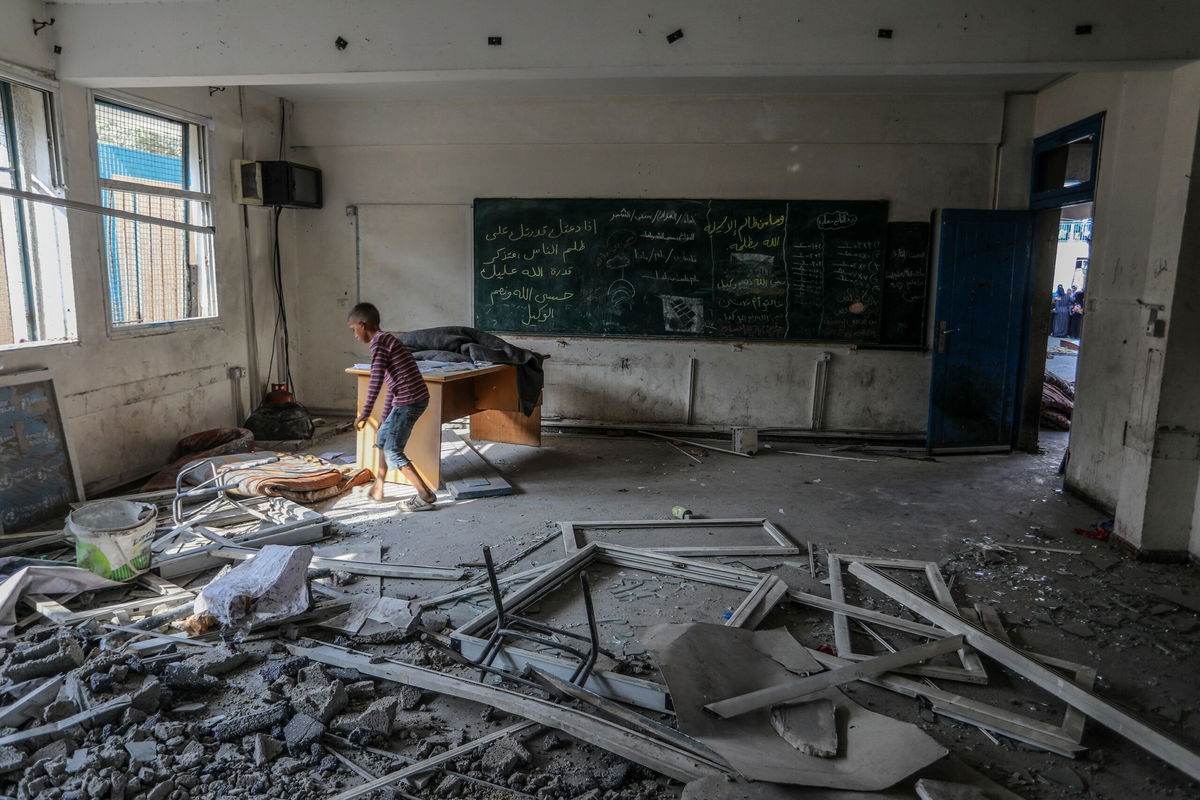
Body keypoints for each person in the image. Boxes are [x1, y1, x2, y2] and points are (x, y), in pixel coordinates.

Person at [348, 302, 438, 511]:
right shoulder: (387, 340)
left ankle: (425, 496)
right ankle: (379, 487)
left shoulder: (379, 343)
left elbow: (377, 378)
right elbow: (392, 383)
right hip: (407, 399)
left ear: (363, 324)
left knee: (393, 451)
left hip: (410, 401)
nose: (354, 335)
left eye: (354, 329)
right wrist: (385, 414)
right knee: (381, 439)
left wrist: (365, 412)